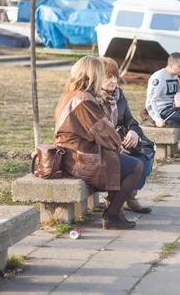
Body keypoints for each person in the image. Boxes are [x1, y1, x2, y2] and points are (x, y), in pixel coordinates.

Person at [54, 56, 143, 230]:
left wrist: (115, 148)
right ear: (93, 75)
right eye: (101, 74)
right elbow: (105, 133)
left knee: (123, 161)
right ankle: (112, 215)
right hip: (78, 158)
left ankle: (115, 211)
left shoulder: (71, 93)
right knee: (136, 166)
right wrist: (117, 147)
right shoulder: (84, 100)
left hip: (73, 152)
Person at [99, 57, 153, 214]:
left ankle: (129, 197)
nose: (113, 81)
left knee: (146, 152)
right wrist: (115, 146)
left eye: (115, 76)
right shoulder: (93, 98)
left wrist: (134, 132)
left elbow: (131, 120)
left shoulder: (119, 95)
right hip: (105, 145)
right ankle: (116, 198)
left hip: (119, 138)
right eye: (108, 77)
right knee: (133, 162)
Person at [146, 52, 180, 128]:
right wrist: (157, 119)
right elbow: (150, 101)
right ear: (171, 65)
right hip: (163, 111)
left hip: (174, 109)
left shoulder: (175, 77)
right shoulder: (159, 77)